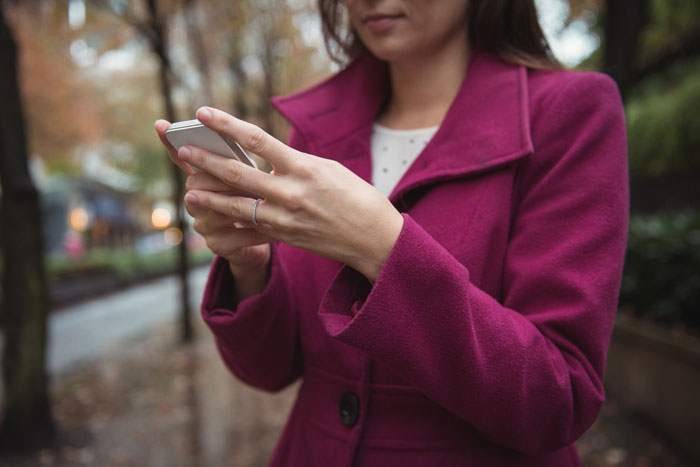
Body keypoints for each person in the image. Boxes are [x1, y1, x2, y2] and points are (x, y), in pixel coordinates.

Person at [154, 0, 629, 465]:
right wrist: (252, 267)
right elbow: (269, 371)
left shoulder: (570, 112)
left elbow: (556, 399)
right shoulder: (314, 133)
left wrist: (382, 247)